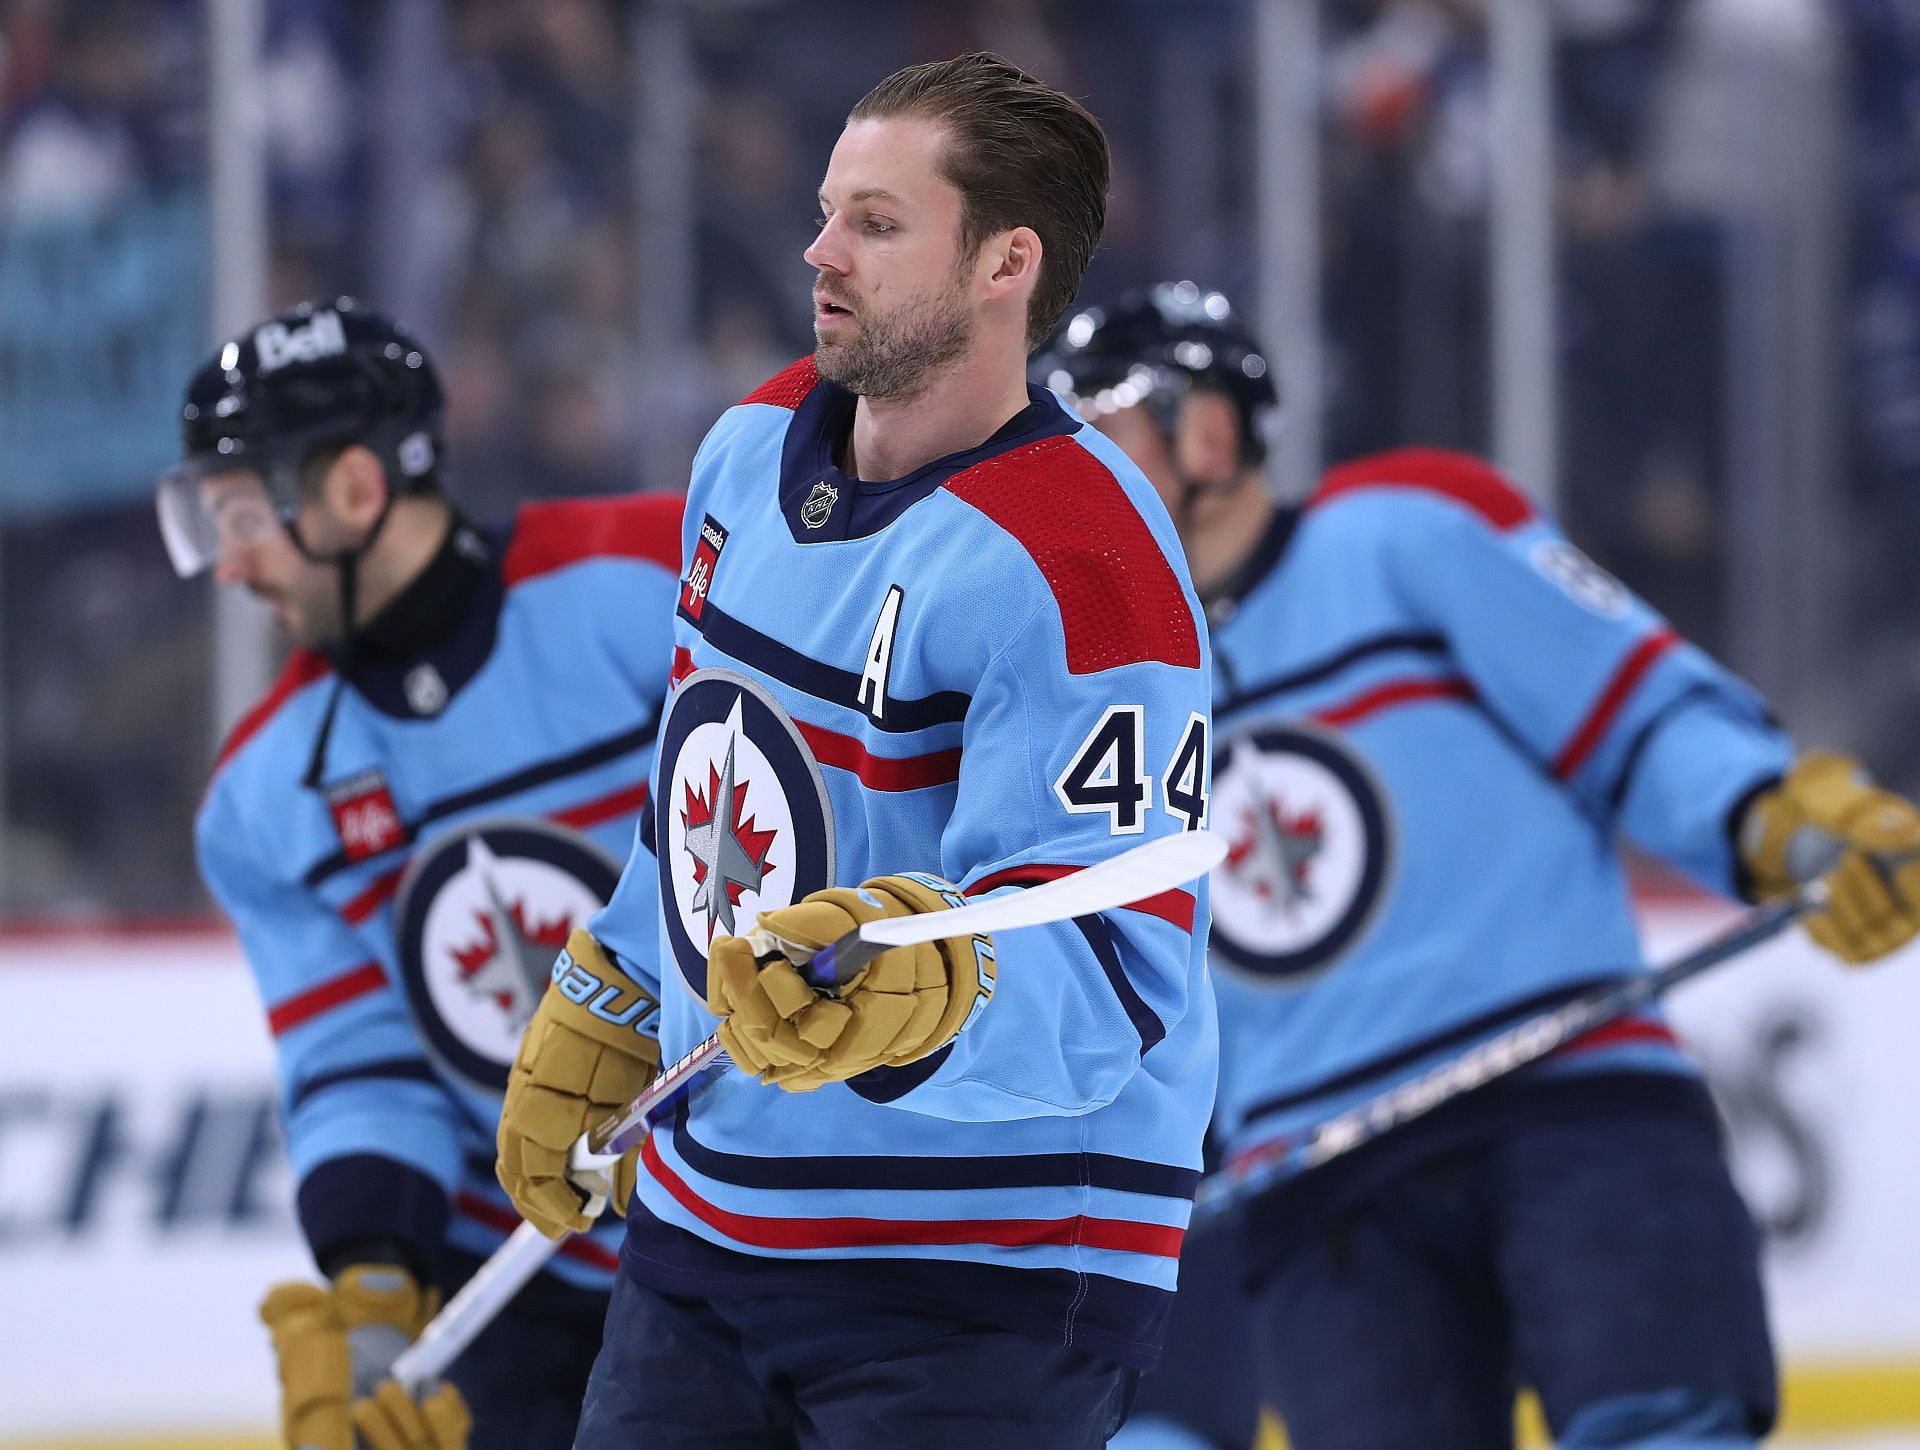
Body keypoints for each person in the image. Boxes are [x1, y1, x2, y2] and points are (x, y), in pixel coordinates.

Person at [1034, 282, 1920, 1450]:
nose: (1070, 471)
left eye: (1103, 422)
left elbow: (1633, 707)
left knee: (1663, 1430)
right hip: (1321, 1189)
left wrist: (1778, 823)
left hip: (1575, 1104)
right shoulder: (1086, 688)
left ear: (1209, 429)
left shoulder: (1403, 534)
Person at [493, 54, 1216, 1450]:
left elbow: (1114, 978)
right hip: (713, 1229)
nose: (820, 252)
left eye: (877, 225)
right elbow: (707, 797)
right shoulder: (749, 447)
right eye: (830, 212)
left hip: (976, 1275)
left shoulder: (1085, 564)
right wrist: (619, 982)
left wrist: (927, 981)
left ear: (1006, 263)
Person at [164, 298, 683, 1450]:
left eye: (243, 514)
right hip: (511, 1272)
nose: (230, 563)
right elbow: (357, 1060)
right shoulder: (263, 799)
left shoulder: (653, 579)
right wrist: (372, 1282)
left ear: (354, 489)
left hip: (755, 1222)